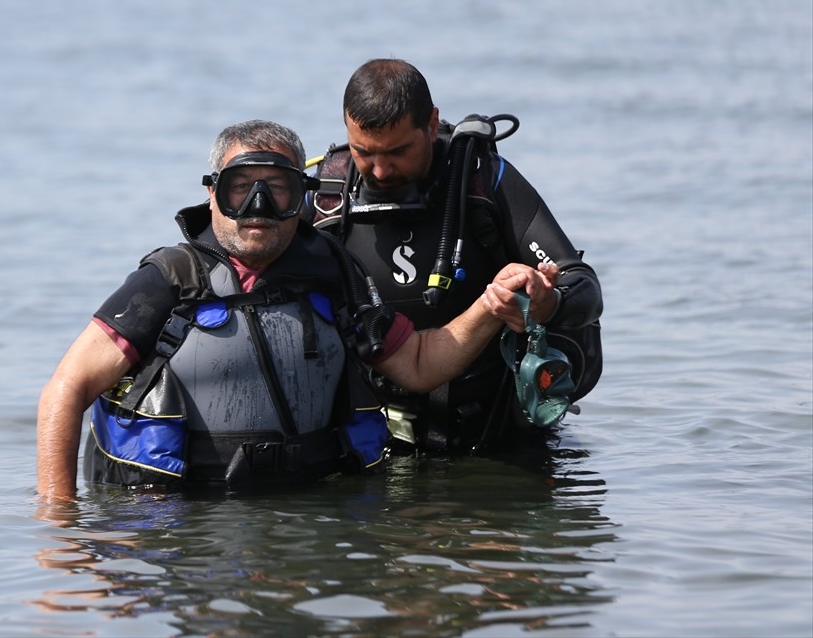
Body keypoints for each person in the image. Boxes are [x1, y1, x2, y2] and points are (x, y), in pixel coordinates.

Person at [36, 119, 553, 500]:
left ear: (302, 200)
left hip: (310, 507)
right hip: (178, 519)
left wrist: (490, 304)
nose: (258, 207)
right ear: (213, 194)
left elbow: (418, 364)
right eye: (242, 189)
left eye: (277, 190)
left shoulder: (333, 273)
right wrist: (59, 530)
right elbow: (66, 388)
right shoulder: (171, 279)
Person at [307, 59, 604, 453]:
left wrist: (549, 302)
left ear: (431, 124)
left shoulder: (482, 180)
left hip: (497, 439)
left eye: (397, 151)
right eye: (364, 152)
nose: (379, 171)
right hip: (373, 439)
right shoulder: (327, 196)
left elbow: (583, 285)